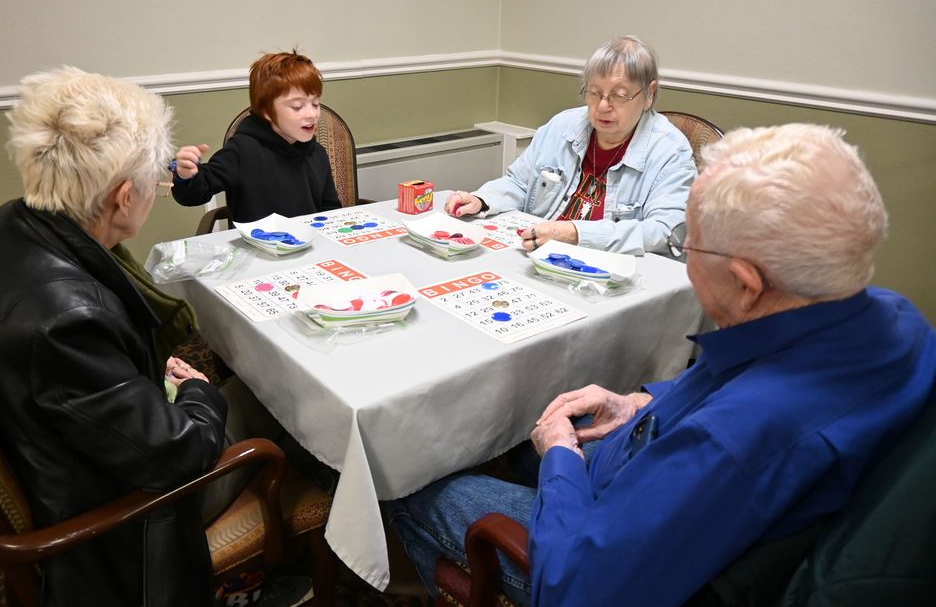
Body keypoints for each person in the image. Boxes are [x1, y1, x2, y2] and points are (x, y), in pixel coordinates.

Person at [390, 123, 936, 606]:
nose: (685, 256)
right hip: (663, 475)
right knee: (521, 446)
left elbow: (574, 588)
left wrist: (559, 457)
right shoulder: (895, 318)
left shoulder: (733, 441)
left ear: (746, 284)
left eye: (691, 246)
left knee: (411, 480)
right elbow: (735, 382)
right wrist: (639, 401)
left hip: (593, 563)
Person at [0, 67, 229, 606]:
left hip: (60, 445)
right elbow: (179, 454)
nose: (157, 192)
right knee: (268, 420)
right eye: (157, 183)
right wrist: (199, 391)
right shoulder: (66, 322)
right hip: (117, 522)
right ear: (123, 197)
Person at [444, 35, 696, 255]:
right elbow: (519, 183)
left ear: (649, 94)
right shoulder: (562, 126)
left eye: (619, 95)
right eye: (594, 92)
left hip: (610, 271)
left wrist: (575, 233)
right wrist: (482, 199)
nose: (603, 106)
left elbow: (665, 232)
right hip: (540, 257)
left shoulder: (670, 151)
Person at [170, 50, 342, 222]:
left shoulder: (317, 153)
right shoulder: (242, 151)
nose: (312, 114)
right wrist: (186, 175)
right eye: (297, 106)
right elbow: (195, 194)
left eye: (315, 104)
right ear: (267, 111)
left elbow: (330, 209)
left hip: (309, 238)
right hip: (256, 239)